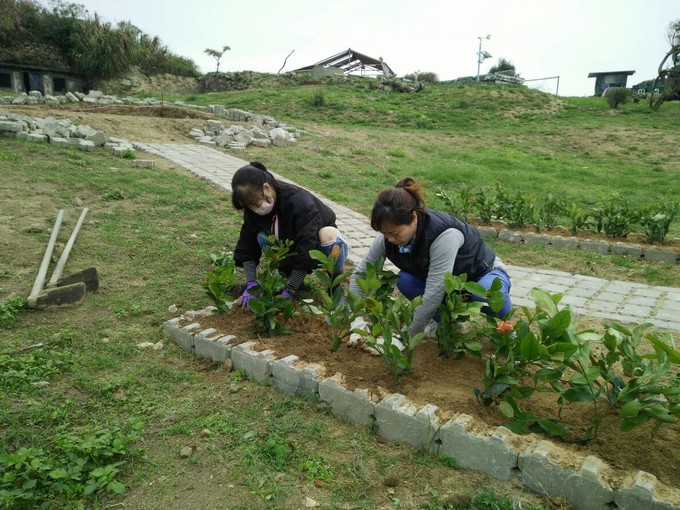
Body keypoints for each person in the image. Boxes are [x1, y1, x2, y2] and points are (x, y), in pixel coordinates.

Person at [349, 177, 512, 336]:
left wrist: (408, 336)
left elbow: (434, 291)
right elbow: (360, 275)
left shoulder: (444, 236)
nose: (390, 239)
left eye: (394, 233)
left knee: (487, 292)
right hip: (450, 284)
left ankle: (508, 331)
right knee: (405, 280)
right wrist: (355, 321)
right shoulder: (387, 238)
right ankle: (448, 325)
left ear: (413, 218)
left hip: (482, 274)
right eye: (384, 233)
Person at [232, 161, 348, 307]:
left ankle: (335, 287)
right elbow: (247, 244)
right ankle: (289, 277)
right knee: (261, 237)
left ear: (266, 188)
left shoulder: (299, 202)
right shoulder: (253, 208)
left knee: (329, 236)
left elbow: (307, 245)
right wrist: (251, 283)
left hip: (316, 244)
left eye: (254, 202)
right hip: (290, 242)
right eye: (248, 206)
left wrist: (289, 290)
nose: (254, 208)